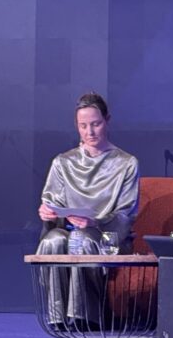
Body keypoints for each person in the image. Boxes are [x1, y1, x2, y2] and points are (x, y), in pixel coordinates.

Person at [36, 92, 140, 325]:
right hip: (71, 229)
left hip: (107, 236)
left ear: (107, 121)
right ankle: (57, 317)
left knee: (82, 239)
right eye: (83, 126)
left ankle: (86, 317)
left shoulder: (126, 163)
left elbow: (125, 214)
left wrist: (96, 222)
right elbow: (53, 203)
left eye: (95, 124)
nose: (90, 132)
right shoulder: (63, 162)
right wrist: (48, 213)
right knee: (53, 240)